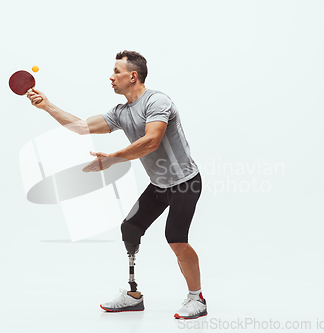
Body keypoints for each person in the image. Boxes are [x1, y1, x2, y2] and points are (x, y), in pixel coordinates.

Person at [27, 50, 206, 320]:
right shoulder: (121, 112)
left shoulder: (157, 101)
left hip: (185, 183)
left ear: (133, 76)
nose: (111, 77)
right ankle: (134, 295)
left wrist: (113, 159)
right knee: (130, 227)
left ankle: (197, 299)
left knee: (176, 239)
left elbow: (151, 141)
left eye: (117, 72)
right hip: (159, 185)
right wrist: (47, 105)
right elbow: (81, 126)